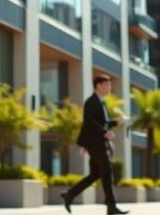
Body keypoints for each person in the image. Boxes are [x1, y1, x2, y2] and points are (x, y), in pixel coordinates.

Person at [61, 75, 128, 215]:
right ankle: (111, 206)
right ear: (98, 86)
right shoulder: (92, 101)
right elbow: (89, 121)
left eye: (110, 85)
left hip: (95, 142)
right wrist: (105, 133)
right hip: (95, 142)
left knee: (96, 173)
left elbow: (101, 122)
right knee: (107, 171)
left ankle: (70, 194)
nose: (110, 87)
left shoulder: (100, 102)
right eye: (107, 85)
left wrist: (116, 122)